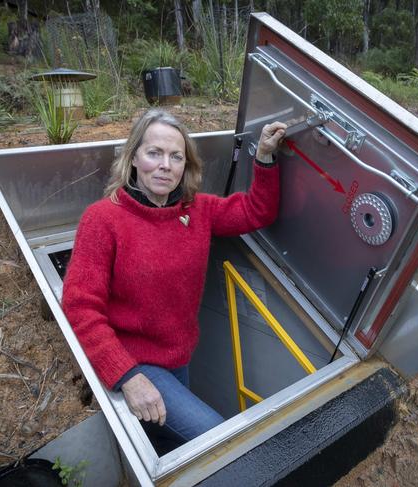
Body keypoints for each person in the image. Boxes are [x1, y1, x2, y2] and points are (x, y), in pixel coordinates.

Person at [62, 108, 286, 452]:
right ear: (134, 157)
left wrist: (266, 157)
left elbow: (256, 211)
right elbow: (80, 306)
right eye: (154, 153)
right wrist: (126, 376)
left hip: (179, 358)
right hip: (135, 361)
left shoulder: (197, 210)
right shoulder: (103, 219)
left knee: (166, 439)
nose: (165, 164)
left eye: (176, 156)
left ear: (186, 166)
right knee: (217, 440)